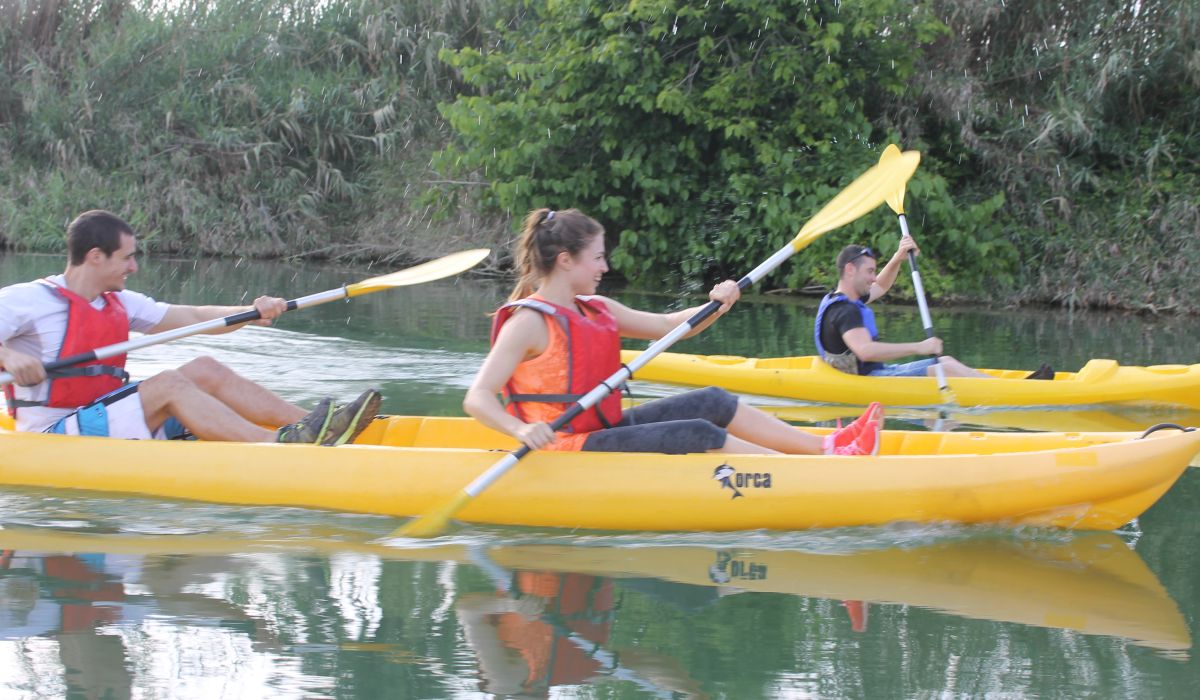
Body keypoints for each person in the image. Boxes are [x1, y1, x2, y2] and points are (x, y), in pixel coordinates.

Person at [463, 208, 882, 456]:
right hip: (563, 449)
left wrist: (717, 303)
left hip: (598, 432)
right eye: (598, 258)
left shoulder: (596, 309)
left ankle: (828, 447)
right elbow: (477, 397)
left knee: (712, 400)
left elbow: (670, 327)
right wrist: (520, 431)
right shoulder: (529, 323)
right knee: (698, 432)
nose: (605, 267)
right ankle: (816, 472)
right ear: (566, 260)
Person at [0, 209, 380, 444]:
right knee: (167, 383)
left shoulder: (119, 302)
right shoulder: (30, 300)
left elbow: (195, 318)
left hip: (103, 417)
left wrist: (253, 311)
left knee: (205, 369)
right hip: (52, 435)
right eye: (127, 258)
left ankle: (318, 426)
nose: (134, 267)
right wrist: (10, 356)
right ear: (95, 257)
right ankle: (275, 446)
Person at [814, 240, 1054, 380]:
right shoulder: (845, 311)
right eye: (869, 271)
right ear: (849, 270)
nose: (873, 277)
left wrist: (898, 257)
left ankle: (1013, 387)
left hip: (876, 374)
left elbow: (883, 286)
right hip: (867, 383)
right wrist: (920, 346)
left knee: (946, 360)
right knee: (946, 367)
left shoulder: (847, 299)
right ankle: (1017, 392)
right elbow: (865, 351)